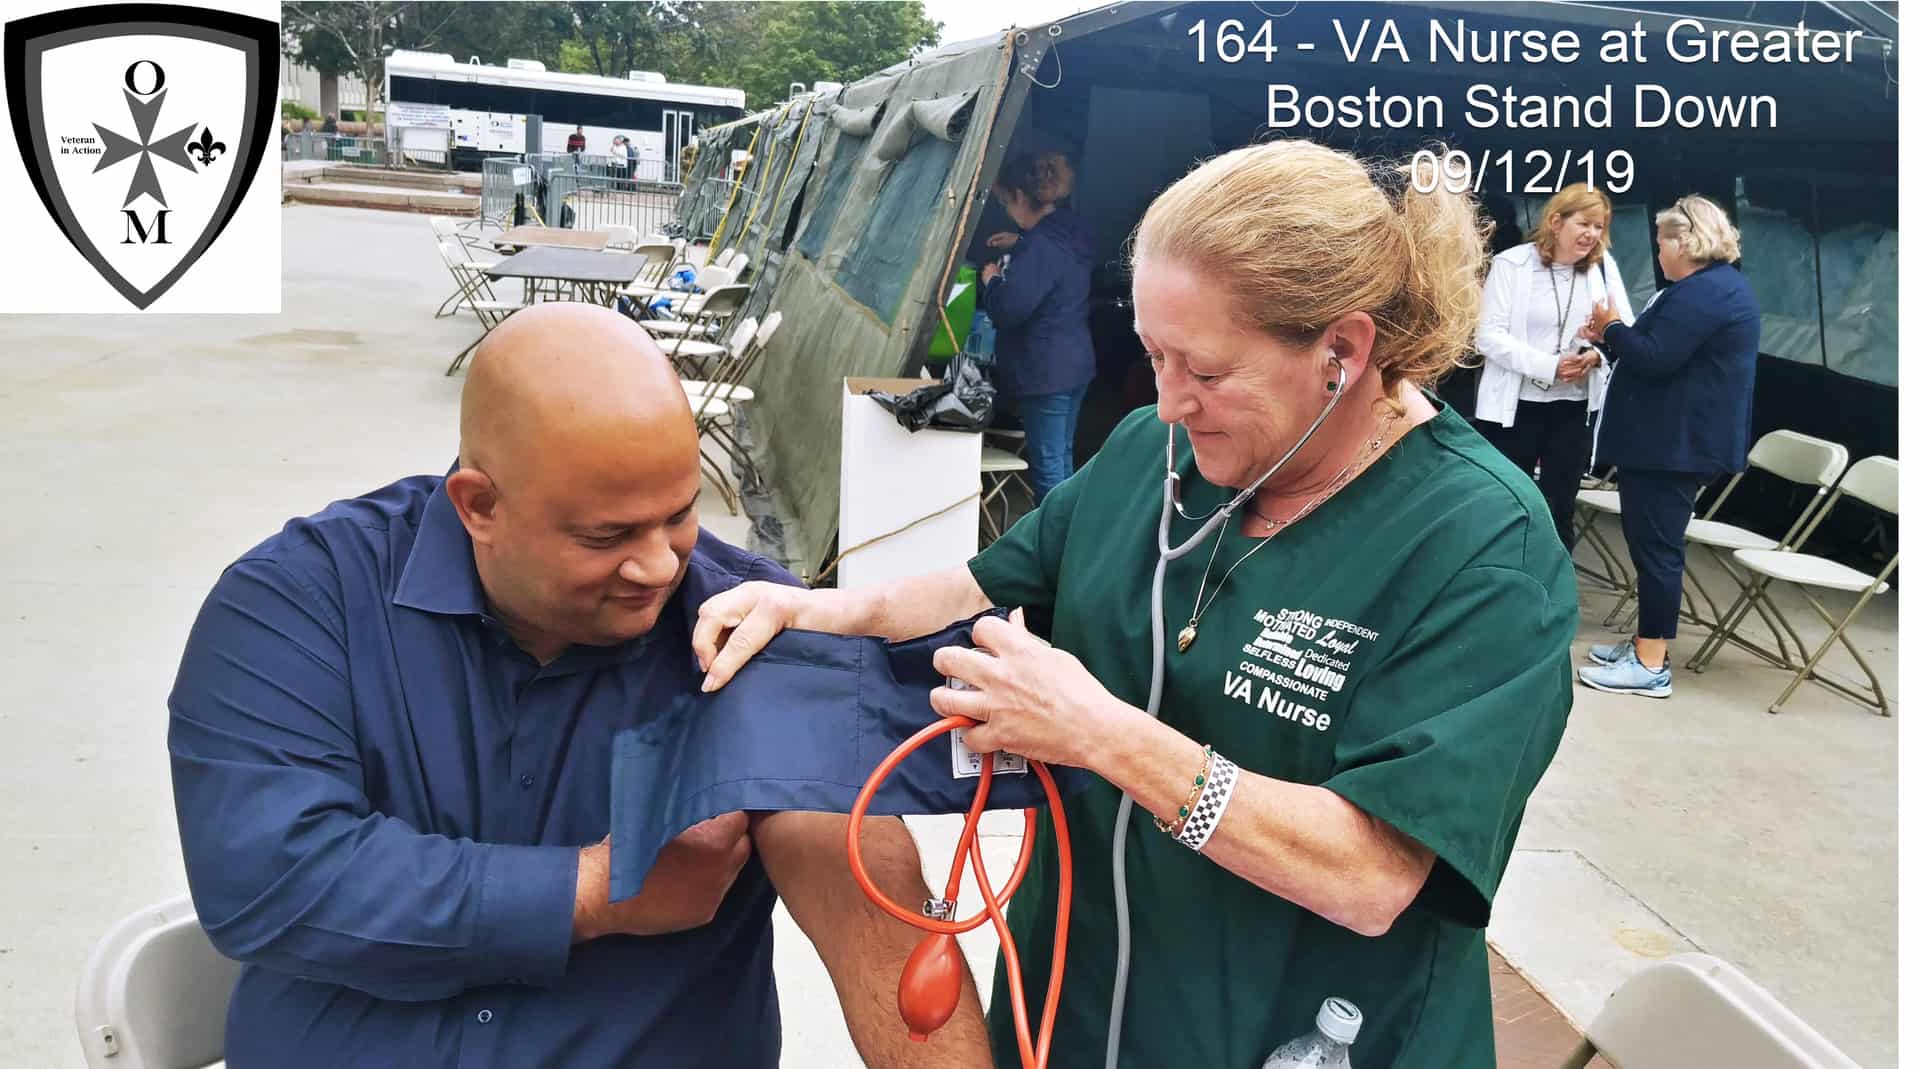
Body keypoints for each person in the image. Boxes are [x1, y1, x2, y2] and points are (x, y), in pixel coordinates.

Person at [694, 141, 1578, 1067]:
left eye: (1203, 369)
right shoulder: (1145, 458)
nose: (1167, 402)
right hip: (1076, 1003)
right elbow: (977, 584)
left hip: (1291, 1029)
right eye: (1153, 354)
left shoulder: (1480, 548)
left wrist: (1102, 734)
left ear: (1343, 353)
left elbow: (1369, 875)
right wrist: (812, 610)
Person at [168, 303, 992, 1067]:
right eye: (607, 535)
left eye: (678, 512)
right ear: (478, 504)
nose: (661, 565)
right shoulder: (301, 605)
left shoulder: (745, 628)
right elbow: (267, 881)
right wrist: (596, 891)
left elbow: (874, 907)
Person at [1577, 195, 1758, 698]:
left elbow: (1655, 357)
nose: (1658, 255)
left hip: (1673, 448)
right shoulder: (1709, 288)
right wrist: (1614, 335)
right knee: (1650, 546)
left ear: (1686, 241)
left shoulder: (1706, 293)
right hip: (1665, 445)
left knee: (1657, 552)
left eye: (1661, 245)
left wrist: (1611, 327)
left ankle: (1651, 663)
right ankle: (1642, 644)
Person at [1473, 183, 1635, 550]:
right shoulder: (1511, 264)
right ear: (1556, 221)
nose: (1592, 235)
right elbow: (1488, 336)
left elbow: (1624, 330)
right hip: (1515, 409)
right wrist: (1549, 366)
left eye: (1599, 227)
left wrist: (1596, 354)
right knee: (1503, 505)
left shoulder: (1603, 268)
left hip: (1572, 408)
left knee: (1559, 508)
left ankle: (1555, 598)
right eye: (1585, 224)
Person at [979, 152, 1095, 501]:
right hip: (1075, 363)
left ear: (1018, 196)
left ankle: (1054, 549)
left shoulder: (1039, 247)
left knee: (1048, 469)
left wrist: (993, 280)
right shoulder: (1071, 231)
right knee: (1062, 459)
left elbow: (1010, 310)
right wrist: (1020, 241)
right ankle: (1069, 537)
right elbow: (1056, 256)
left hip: (1045, 370)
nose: (1005, 209)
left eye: (1003, 200)